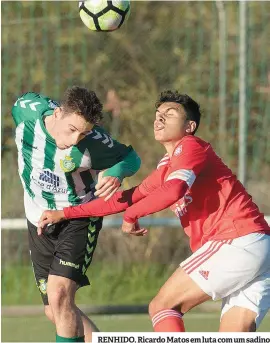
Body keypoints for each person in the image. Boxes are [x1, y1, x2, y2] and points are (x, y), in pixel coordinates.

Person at [38, 90, 270, 333]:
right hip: (258, 245)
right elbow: (126, 198)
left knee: (162, 307)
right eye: (158, 114)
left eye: (169, 115)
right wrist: (65, 213)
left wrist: (132, 215)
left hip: (235, 241)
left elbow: (175, 190)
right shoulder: (168, 165)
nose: (159, 119)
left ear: (190, 126)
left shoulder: (191, 146)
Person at [12, 86, 141, 342]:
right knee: (54, 309)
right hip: (38, 217)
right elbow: (30, 101)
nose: (75, 140)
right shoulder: (25, 112)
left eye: (83, 133)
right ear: (58, 113)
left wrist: (116, 172)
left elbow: (131, 158)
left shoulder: (94, 142)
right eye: (72, 130)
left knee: (60, 295)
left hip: (78, 217)